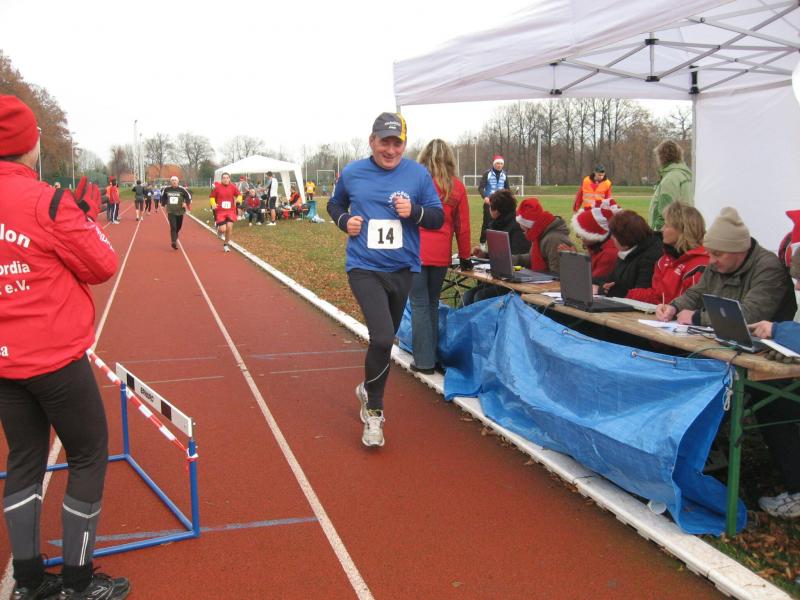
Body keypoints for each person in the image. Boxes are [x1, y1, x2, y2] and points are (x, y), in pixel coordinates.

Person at [0, 95, 130, 600]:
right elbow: (102, 264)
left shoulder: (49, 201)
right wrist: (83, 219)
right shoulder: (47, 201)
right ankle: (78, 582)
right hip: (54, 358)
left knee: (24, 459)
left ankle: (29, 581)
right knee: (89, 453)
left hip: (5, 363)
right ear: (30, 144)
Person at [326, 112, 444, 448]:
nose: (390, 150)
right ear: (372, 141)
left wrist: (415, 212)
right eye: (384, 142)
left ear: (404, 144)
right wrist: (344, 221)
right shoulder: (353, 172)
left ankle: (368, 389)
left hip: (403, 268)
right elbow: (335, 204)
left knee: (386, 340)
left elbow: (437, 217)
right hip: (364, 267)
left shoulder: (418, 175)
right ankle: (374, 411)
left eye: (397, 143)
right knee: (380, 337)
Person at [655, 206, 796, 325]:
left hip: (762, 346)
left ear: (739, 250)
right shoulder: (719, 264)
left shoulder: (769, 268)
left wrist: (697, 318)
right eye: (710, 253)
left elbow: (751, 315)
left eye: (717, 254)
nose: (711, 260)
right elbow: (697, 293)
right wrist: (674, 307)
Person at [410, 139, 471, 375]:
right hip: (441, 253)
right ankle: (432, 357)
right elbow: (463, 227)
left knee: (419, 305)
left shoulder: (416, 183)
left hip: (415, 251)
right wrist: (465, 256)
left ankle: (423, 360)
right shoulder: (457, 187)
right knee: (432, 304)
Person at [626, 201, 708, 304]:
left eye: (666, 225)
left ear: (682, 230)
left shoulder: (700, 265)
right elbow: (657, 297)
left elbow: (691, 304)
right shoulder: (664, 260)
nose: (662, 229)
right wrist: (623, 292)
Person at [461, 189, 530, 306]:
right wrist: (484, 254)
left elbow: (517, 259)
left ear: (496, 211)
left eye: (490, 207)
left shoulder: (517, 228)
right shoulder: (497, 224)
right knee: (467, 296)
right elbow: (500, 255)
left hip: (513, 283)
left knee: (479, 296)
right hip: (498, 279)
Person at [593, 210, 663, 298]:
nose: (611, 238)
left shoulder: (650, 258)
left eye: (614, 235)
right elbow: (612, 280)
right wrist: (593, 282)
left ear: (624, 239)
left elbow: (640, 294)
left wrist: (606, 290)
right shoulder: (629, 250)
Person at [513, 197, 574, 275]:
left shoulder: (553, 240)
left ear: (528, 224)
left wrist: (532, 276)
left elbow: (557, 274)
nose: (519, 226)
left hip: (549, 281)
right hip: (541, 277)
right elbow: (533, 258)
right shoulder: (539, 233)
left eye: (520, 224)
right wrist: (514, 259)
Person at [571, 198, 621, 279]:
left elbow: (589, 281)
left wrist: (573, 262)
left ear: (594, 235)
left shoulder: (609, 254)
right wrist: (576, 259)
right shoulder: (597, 247)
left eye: (582, 234)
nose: (579, 237)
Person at [648, 140, 693, 231]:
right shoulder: (685, 175)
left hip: (671, 232)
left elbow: (665, 212)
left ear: (661, 157)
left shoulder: (670, 178)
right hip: (684, 228)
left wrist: (657, 232)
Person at [478, 155, 510, 245]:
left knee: (501, 223)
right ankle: (482, 243)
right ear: (494, 164)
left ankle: (497, 243)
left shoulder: (504, 174)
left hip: (501, 203)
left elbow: (507, 189)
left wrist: (509, 198)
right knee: (487, 223)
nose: (499, 165)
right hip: (489, 203)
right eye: (497, 163)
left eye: (501, 164)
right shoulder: (487, 173)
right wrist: (485, 197)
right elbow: (480, 188)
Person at [210, 172, 242, 252]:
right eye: (224, 178)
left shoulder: (233, 187)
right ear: (221, 179)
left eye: (227, 178)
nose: (225, 179)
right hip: (220, 212)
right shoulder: (217, 188)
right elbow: (212, 197)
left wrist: (239, 200)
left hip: (230, 211)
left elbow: (239, 195)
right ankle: (219, 231)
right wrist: (213, 203)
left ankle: (226, 245)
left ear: (229, 179)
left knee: (229, 228)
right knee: (223, 229)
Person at [162, 175, 192, 249]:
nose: (174, 182)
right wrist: (164, 204)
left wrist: (186, 203)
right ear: (170, 182)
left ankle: (175, 235)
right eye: (172, 180)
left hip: (180, 211)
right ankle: (174, 242)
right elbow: (163, 197)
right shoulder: (167, 189)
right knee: (173, 227)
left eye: (175, 180)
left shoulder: (182, 189)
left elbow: (188, 197)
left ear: (178, 181)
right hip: (171, 211)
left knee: (178, 227)